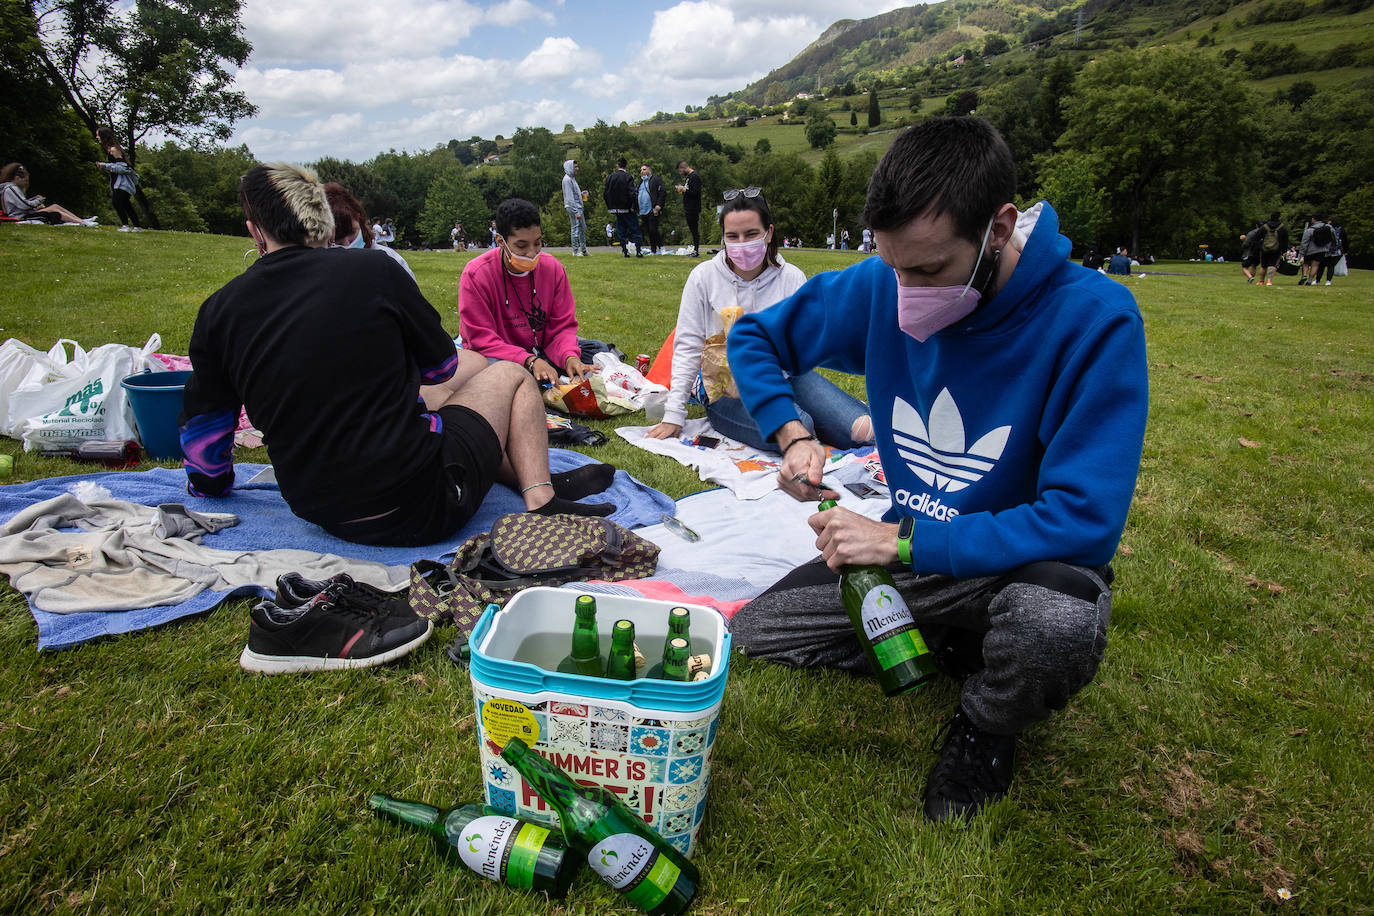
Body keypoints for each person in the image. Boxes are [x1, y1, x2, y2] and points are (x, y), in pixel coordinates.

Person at [726, 117, 1148, 823]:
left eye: (927, 271)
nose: (906, 293)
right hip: (917, 554)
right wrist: (793, 432)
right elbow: (756, 336)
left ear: (999, 227)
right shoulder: (880, 288)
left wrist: (899, 544)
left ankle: (985, 725)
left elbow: (1084, 520)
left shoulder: (1093, 319)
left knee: (1054, 627)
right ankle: (962, 642)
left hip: (1022, 561)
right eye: (893, 268)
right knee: (758, 633)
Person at [181, 164, 616, 555]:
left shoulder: (219, 310)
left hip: (321, 509)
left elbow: (203, 437)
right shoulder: (375, 271)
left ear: (256, 232)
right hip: (424, 504)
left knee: (459, 383)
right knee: (503, 374)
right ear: (323, 222)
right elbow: (442, 368)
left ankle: (524, 472)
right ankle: (540, 496)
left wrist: (212, 485)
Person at [645, 187, 873, 452]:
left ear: (769, 233)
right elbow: (687, 347)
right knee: (800, 429)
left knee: (863, 431)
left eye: (751, 234)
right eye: (732, 236)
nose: (741, 244)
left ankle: (822, 423)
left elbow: (806, 346)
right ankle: (806, 423)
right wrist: (674, 414)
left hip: (786, 377)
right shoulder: (704, 277)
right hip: (723, 387)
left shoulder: (792, 278)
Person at [458, 198, 594, 387]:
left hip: (539, 347)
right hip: (496, 354)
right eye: (521, 246)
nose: (532, 253)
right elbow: (481, 339)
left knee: (594, 351)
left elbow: (562, 327)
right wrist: (529, 360)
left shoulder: (553, 269)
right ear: (501, 241)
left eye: (538, 243)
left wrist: (569, 357)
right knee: (491, 375)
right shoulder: (476, 274)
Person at [324, 182, 415, 281]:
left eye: (352, 233)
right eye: (338, 241)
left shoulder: (391, 260)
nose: (347, 245)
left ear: (359, 218)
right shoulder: (322, 268)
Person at [0, 163, 94, 225]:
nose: (26, 183)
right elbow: (24, 205)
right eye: (25, 180)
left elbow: (21, 203)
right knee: (54, 212)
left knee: (55, 206)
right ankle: (81, 222)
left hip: (24, 213)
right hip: (21, 216)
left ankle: (81, 220)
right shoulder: (11, 188)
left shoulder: (11, 188)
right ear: (16, 178)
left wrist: (34, 200)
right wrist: (38, 201)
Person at [94, 127, 142, 232]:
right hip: (119, 183)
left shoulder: (113, 149)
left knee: (117, 202)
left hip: (122, 184)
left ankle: (125, 225)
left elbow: (123, 168)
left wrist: (105, 165)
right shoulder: (111, 149)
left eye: (98, 135)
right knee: (126, 204)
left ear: (103, 136)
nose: (97, 137)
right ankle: (137, 227)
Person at [604, 158, 642, 258]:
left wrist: (610, 206)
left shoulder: (610, 177)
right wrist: (634, 205)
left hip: (616, 208)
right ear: (626, 165)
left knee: (621, 230)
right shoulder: (628, 177)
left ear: (617, 165)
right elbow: (633, 193)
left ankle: (625, 251)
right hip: (627, 207)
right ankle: (638, 250)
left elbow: (606, 193)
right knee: (634, 229)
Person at [561, 160, 589, 257]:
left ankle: (584, 250)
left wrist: (581, 195)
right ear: (569, 168)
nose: (577, 169)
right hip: (574, 208)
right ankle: (575, 251)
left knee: (582, 228)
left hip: (578, 207)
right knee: (575, 229)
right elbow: (569, 198)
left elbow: (573, 194)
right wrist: (575, 211)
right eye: (575, 167)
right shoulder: (567, 180)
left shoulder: (572, 179)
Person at [676, 160, 702, 257]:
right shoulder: (689, 177)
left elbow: (695, 193)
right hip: (688, 207)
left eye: (680, 171)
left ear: (684, 168)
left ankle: (696, 250)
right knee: (692, 229)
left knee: (694, 230)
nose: (680, 173)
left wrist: (684, 190)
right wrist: (682, 189)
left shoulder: (694, 176)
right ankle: (695, 250)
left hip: (693, 208)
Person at [639, 163, 667, 255]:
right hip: (643, 210)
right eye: (641, 170)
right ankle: (653, 250)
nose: (642, 172)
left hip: (653, 209)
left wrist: (659, 204)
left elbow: (663, 192)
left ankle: (661, 247)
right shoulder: (641, 182)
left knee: (653, 229)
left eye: (644, 169)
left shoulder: (655, 179)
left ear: (649, 170)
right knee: (648, 230)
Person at [1300, 216, 1333, 287]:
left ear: (1313, 219)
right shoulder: (1327, 228)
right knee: (1315, 265)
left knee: (1306, 263)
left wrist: (1302, 252)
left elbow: (1304, 242)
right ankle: (1310, 280)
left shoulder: (1310, 230)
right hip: (1321, 250)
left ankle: (1304, 274)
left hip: (1310, 250)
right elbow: (1331, 239)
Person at [1257, 212, 1287, 287]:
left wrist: (1260, 245)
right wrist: (1284, 251)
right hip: (1276, 248)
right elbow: (1285, 240)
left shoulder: (1264, 226)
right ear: (1279, 217)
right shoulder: (1282, 227)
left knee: (1263, 265)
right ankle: (1269, 281)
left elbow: (1256, 236)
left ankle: (1261, 281)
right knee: (1272, 264)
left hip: (1265, 248)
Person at [1315, 220, 1345, 286]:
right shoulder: (1340, 230)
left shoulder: (1327, 228)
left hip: (1326, 249)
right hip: (1335, 251)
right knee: (1331, 266)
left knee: (1322, 265)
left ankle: (1318, 280)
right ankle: (1328, 280)